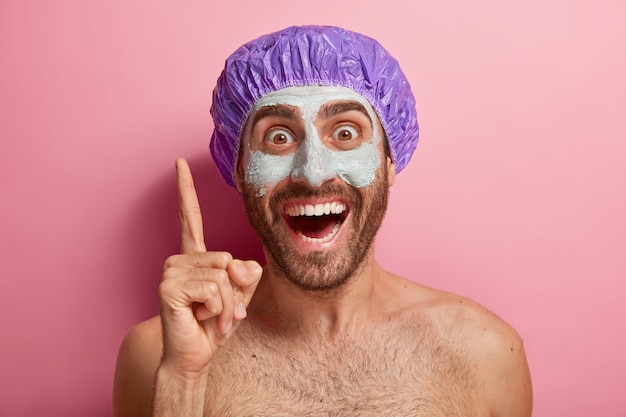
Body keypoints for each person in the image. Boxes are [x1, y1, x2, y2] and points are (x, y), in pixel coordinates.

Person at [113, 25, 532, 416]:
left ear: (389, 164)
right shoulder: (157, 357)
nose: (313, 172)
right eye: (278, 137)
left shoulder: (485, 353)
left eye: (345, 133)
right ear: (239, 169)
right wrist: (183, 383)